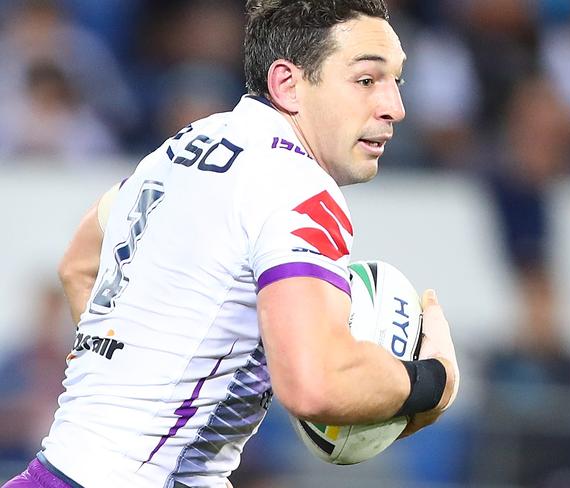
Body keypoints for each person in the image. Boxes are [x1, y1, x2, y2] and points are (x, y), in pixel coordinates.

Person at [3, 1, 459, 487]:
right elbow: (314, 383)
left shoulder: (185, 144)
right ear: (287, 84)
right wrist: (434, 380)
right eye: (367, 80)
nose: (395, 107)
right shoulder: (299, 186)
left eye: (397, 81)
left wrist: (123, 367)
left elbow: (79, 263)